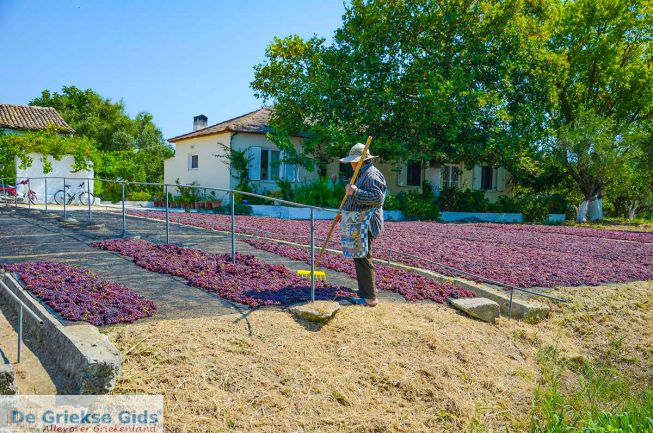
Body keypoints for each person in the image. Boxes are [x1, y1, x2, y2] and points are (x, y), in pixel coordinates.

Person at [339, 142, 387, 307]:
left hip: (367, 222)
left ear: (360, 161)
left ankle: (369, 298)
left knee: (363, 257)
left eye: (353, 161)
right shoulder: (360, 174)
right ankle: (366, 290)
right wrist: (343, 213)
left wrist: (355, 191)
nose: (351, 164)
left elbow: (376, 199)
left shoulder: (372, 175)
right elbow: (354, 200)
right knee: (359, 256)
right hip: (357, 221)